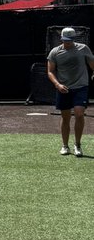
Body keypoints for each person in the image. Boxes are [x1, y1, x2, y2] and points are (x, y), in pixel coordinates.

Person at [46, 27, 94, 157]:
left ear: (74, 39)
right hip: (63, 89)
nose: (67, 42)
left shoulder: (83, 48)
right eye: (65, 40)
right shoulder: (55, 52)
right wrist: (57, 84)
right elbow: (50, 71)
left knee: (79, 114)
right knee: (65, 117)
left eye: (70, 40)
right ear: (61, 39)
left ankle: (77, 145)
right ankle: (65, 146)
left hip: (81, 86)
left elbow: (92, 63)